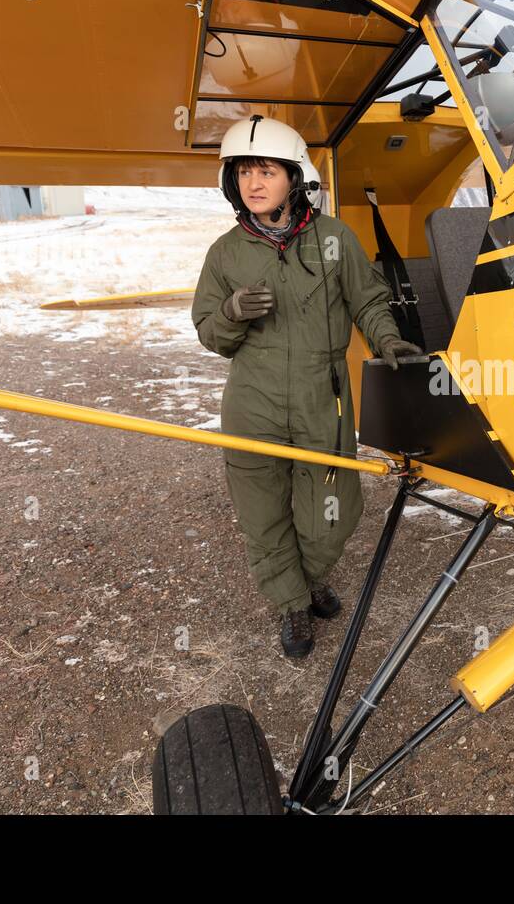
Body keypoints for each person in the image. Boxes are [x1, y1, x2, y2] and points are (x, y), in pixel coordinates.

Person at [192, 115, 419, 658]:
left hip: (324, 393)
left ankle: (309, 573)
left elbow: (367, 299)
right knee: (262, 512)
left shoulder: (335, 238)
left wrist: (387, 341)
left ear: (294, 177)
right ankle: (293, 604)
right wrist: (229, 312)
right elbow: (210, 334)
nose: (253, 183)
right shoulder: (225, 253)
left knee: (332, 511)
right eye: (243, 173)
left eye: (265, 171)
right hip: (253, 397)